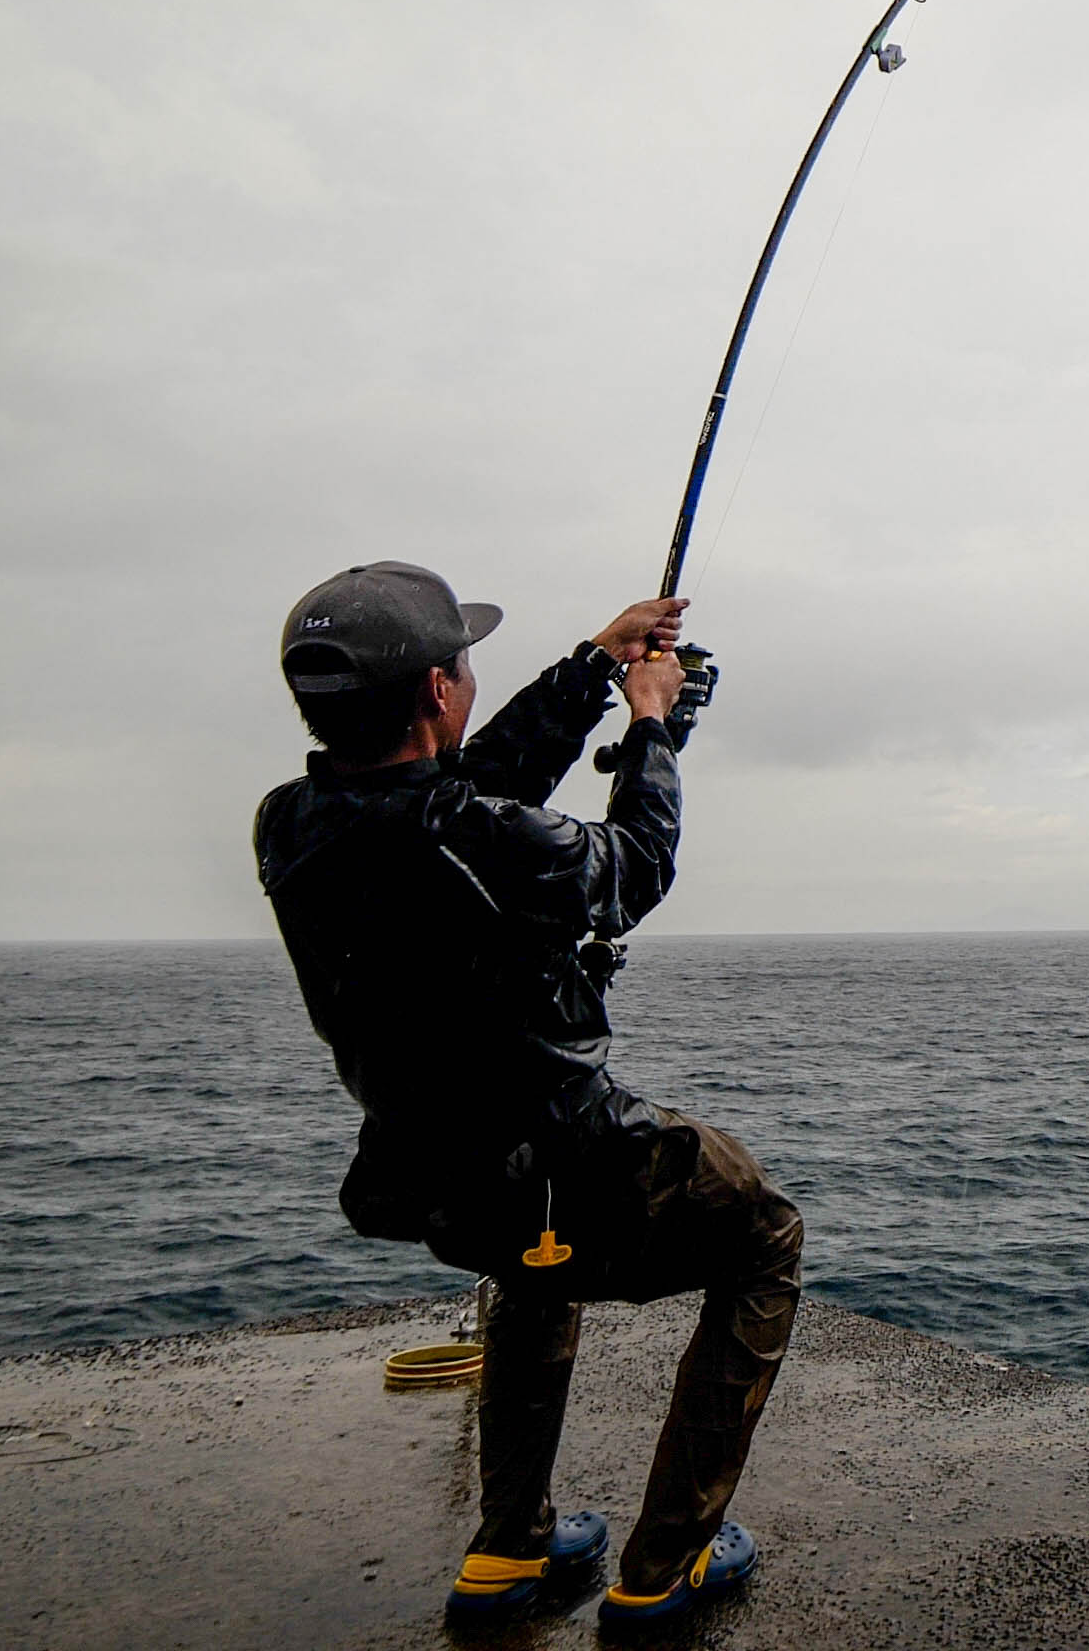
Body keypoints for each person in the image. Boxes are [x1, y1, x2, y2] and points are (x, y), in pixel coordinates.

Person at [252, 559, 803, 1635]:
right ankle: (665, 1565)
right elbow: (634, 863)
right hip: (577, 1163)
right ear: (435, 695)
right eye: (462, 663)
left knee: (526, 1264)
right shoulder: (487, 841)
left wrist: (595, 662)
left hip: (445, 1180)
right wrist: (649, 726)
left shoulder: (291, 824)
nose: (467, 676)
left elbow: (466, 791)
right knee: (765, 1233)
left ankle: (508, 1550)